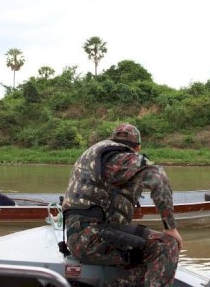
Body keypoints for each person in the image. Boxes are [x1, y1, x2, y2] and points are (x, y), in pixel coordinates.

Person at [62, 123, 183, 287]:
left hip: (77, 237)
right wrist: (170, 228)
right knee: (167, 245)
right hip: (94, 238)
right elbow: (157, 175)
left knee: (142, 257)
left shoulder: (97, 153)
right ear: (137, 148)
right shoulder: (121, 157)